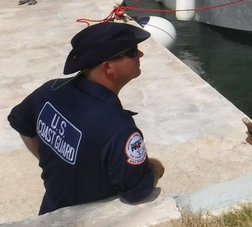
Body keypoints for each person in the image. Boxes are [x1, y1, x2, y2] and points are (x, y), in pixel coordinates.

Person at [7, 21, 165, 215]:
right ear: (107, 66)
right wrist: (156, 168)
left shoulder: (50, 91)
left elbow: (22, 125)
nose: (140, 55)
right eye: (132, 52)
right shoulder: (118, 127)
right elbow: (136, 190)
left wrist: (58, 167)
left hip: (50, 212)